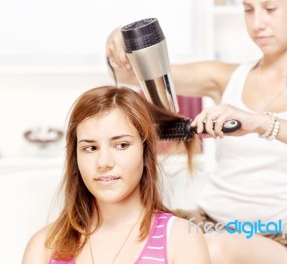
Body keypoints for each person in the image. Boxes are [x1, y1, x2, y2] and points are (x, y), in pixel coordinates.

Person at [105, 0, 287, 263]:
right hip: (205, 224)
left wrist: (260, 122)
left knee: (214, 247)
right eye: (248, 9)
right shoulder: (227, 77)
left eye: (270, 8)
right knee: (114, 232)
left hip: (276, 242)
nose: (258, 23)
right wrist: (121, 45)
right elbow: (130, 77)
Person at [22, 86, 210, 264]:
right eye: (90, 148)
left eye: (121, 145)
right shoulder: (43, 246)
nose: (104, 162)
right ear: (75, 158)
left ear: (146, 152)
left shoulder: (181, 238)